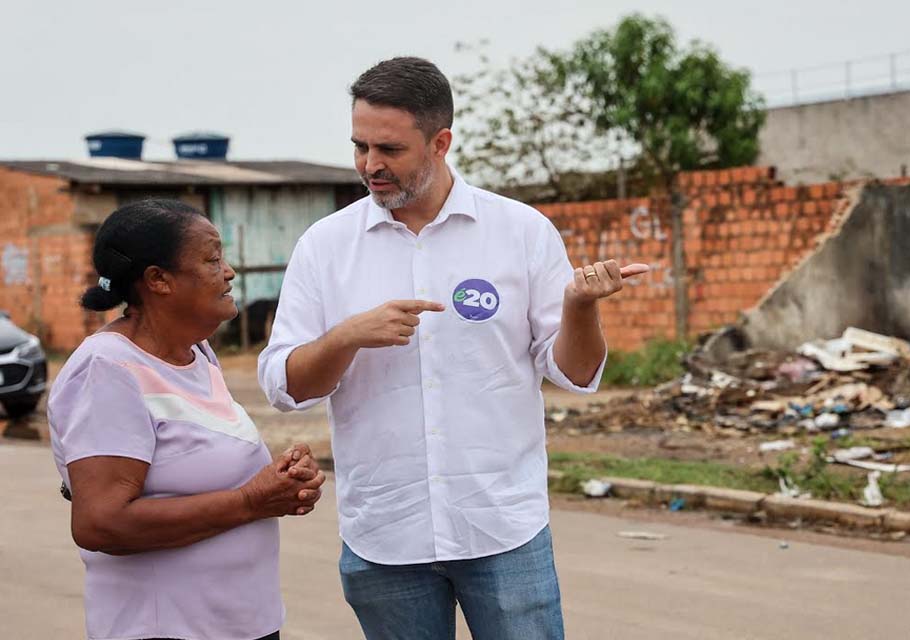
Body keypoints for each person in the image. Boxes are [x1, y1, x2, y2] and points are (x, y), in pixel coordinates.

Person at [258, 57, 647, 640]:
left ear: (441, 142)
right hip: (384, 534)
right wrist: (345, 338)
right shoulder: (325, 247)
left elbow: (574, 373)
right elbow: (283, 386)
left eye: (389, 149)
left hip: (501, 527)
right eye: (360, 146)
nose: (370, 165)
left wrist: (580, 307)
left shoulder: (520, 231)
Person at [47, 199, 326, 640]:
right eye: (212, 259)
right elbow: (100, 521)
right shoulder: (108, 369)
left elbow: (199, 461)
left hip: (240, 622)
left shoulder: (196, 354)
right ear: (158, 280)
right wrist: (251, 501)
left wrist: (281, 480)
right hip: (166, 628)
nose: (229, 271)